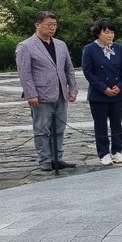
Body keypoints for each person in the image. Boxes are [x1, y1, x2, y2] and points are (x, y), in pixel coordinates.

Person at [16, 11, 79, 171]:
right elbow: (25, 73)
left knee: (59, 128)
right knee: (42, 129)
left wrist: (73, 89)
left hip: (60, 93)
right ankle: (45, 159)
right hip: (40, 95)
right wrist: (31, 94)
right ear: (38, 25)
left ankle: (57, 157)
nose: (52, 28)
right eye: (49, 25)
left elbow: (68, 69)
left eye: (54, 25)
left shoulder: (61, 45)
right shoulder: (26, 46)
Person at [81, 19, 122, 165]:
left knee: (116, 123)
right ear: (98, 33)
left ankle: (117, 151)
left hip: (117, 93)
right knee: (100, 124)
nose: (110, 35)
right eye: (106, 32)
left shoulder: (119, 49)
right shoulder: (89, 49)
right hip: (99, 95)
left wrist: (120, 86)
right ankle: (104, 153)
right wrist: (104, 88)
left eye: (112, 32)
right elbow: (88, 72)